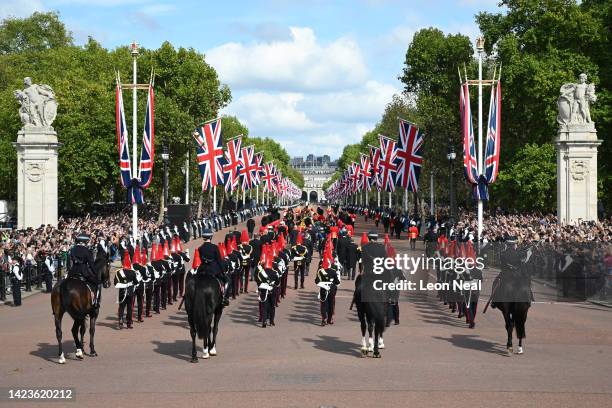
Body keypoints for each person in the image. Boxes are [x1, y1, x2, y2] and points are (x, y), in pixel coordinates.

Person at [197, 228, 229, 306]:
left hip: (203, 268)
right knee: (227, 281)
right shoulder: (215, 247)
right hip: (213, 269)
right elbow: (219, 261)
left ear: (203, 237)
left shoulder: (200, 248)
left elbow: (201, 260)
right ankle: (224, 297)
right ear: (211, 237)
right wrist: (223, 272)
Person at [69, 234, 100, 307]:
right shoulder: (87, 250)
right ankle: (95, 302)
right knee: (96, 284)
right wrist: (96, 273)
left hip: (73, 271)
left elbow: (72, 259)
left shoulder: (73, 249)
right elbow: (91, 264)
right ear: (85, 242)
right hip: (83, 271)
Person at [115, 252, 136, 329]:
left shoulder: (119, 272)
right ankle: (129, 323)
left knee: (121, 307)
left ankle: (120, 321)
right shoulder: (132, 272)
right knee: (129, 308)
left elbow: (115, 283)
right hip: (130, 292)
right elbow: (136, 282)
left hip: (122, 292)